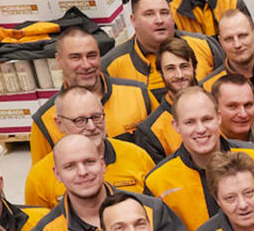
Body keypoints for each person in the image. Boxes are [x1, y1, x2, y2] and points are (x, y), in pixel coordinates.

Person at [22, 136, 187, 231]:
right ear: (57, 174)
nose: (82, 172)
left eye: (89, 162)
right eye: (70, 166)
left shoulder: (152, 211)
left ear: (102, 164)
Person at [142, 88, 254, 230]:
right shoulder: (157, 181)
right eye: (190, 122)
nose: (200, 129)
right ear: (176, 126)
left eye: (207, 119)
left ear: (219, 118)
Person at [29, 27, 152, 161]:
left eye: (91, 55)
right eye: (75, 57)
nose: (86, 65)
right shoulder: (45, 121)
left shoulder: (138, 94)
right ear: (59, 60)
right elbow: (43, 176)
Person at [23, 86, 155, 208]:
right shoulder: (39, 177)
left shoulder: (137, 156)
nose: (92, 127)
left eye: (96, 117)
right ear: (59, 124)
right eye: (80, 120)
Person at [107, 0, 219, 95]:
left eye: (164, 13)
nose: (159, 21)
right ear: (133, 20)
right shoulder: (112, 66)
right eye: (149, 14)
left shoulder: (205, 45)